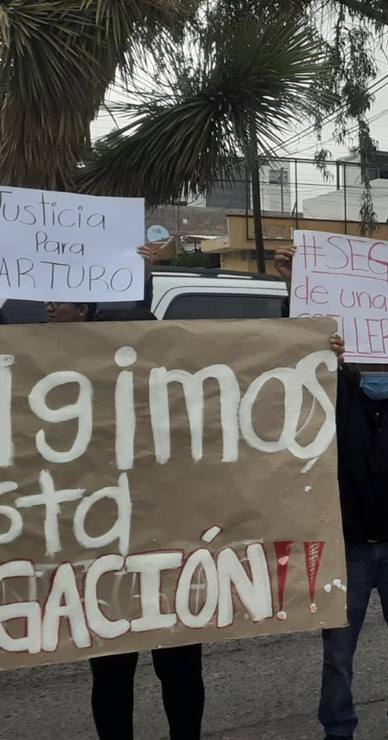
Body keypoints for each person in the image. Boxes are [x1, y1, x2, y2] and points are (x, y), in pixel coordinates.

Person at [276, 245, 388, 740]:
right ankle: (338, 727)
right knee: (337, 651)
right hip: (346, 548)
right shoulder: (336, 390)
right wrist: (295, 285)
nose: (381, 362)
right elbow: (292, 353)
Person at [43, 246, 204, 740]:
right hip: (102, 548)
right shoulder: (45, 374)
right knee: (111, 673)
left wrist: (141, 274)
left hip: (168, 546)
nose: (47, 307)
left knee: (178, 668)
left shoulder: (169, 392)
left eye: (59, 301)